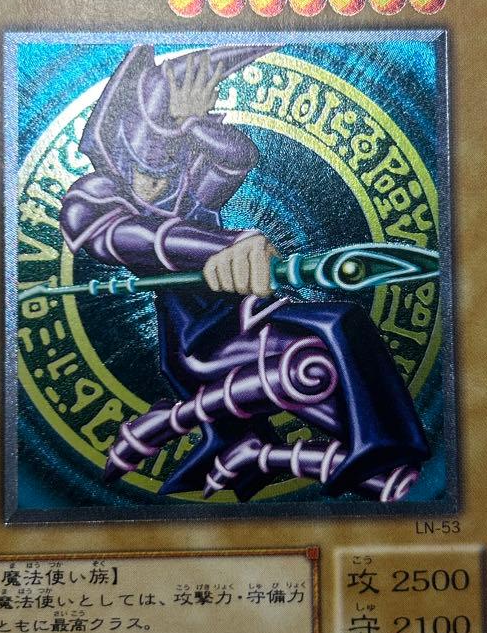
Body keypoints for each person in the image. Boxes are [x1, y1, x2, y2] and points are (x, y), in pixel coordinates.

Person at [59, 45, 428, 502]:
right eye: (143, 171)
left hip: (242, 316)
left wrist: (192, 124)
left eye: (166, 169)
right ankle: (346, 450)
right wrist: (223, 246)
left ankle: (370, 447)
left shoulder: (186, 186)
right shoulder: (94, 198)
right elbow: (129, 237)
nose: (155, 185)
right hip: (200, 341)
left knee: (339, 325)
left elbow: (237, 157)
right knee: (316, 354)